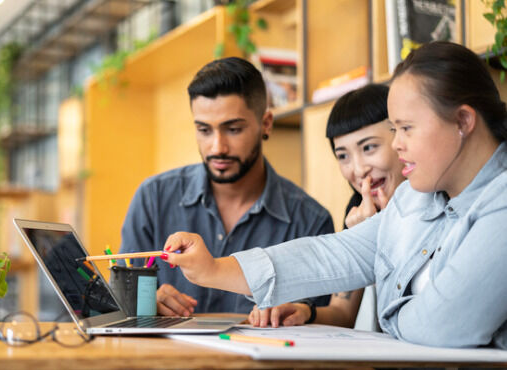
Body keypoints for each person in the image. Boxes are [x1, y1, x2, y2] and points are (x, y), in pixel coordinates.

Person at [160, 41, 507, 348]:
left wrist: (389, 320)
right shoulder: (416, 198)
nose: (397, 144)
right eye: (394, 129)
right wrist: (214, 269)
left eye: (406, 128)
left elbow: (443, 324)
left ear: (462, 121)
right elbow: (332, 254)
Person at [119, 57, 335, 316]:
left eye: (233, 129)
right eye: (204, 130)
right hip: (166, 356)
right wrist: (144, 303)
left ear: (266, 123)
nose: (217, 147)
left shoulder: (310, 222)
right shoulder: (153, 198)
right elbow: (121, 299)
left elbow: (315, 327)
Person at [249, 84, 406, 329]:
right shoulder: (358, 211)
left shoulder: (435, 202)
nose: (357, 169)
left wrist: (381, 236)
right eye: (343, 155)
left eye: (368, 148)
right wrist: (305, 311)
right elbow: (342, 312)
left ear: (402, 139)